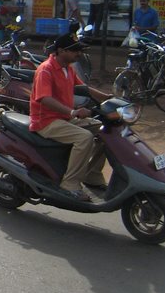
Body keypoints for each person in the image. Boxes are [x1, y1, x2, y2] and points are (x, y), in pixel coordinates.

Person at [29, 32, 111, 201]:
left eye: (79, 50)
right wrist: (72, 112)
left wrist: (107, 98)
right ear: (60, 51)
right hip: (46, 121)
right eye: (74, 51)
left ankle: (92, 175)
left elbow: (84, 88)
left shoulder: (68, 69)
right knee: (84, 138)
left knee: (105, 131)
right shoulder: (46, 69)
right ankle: (70, 184)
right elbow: (44, 98)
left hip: (63, 118)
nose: (78, 54)